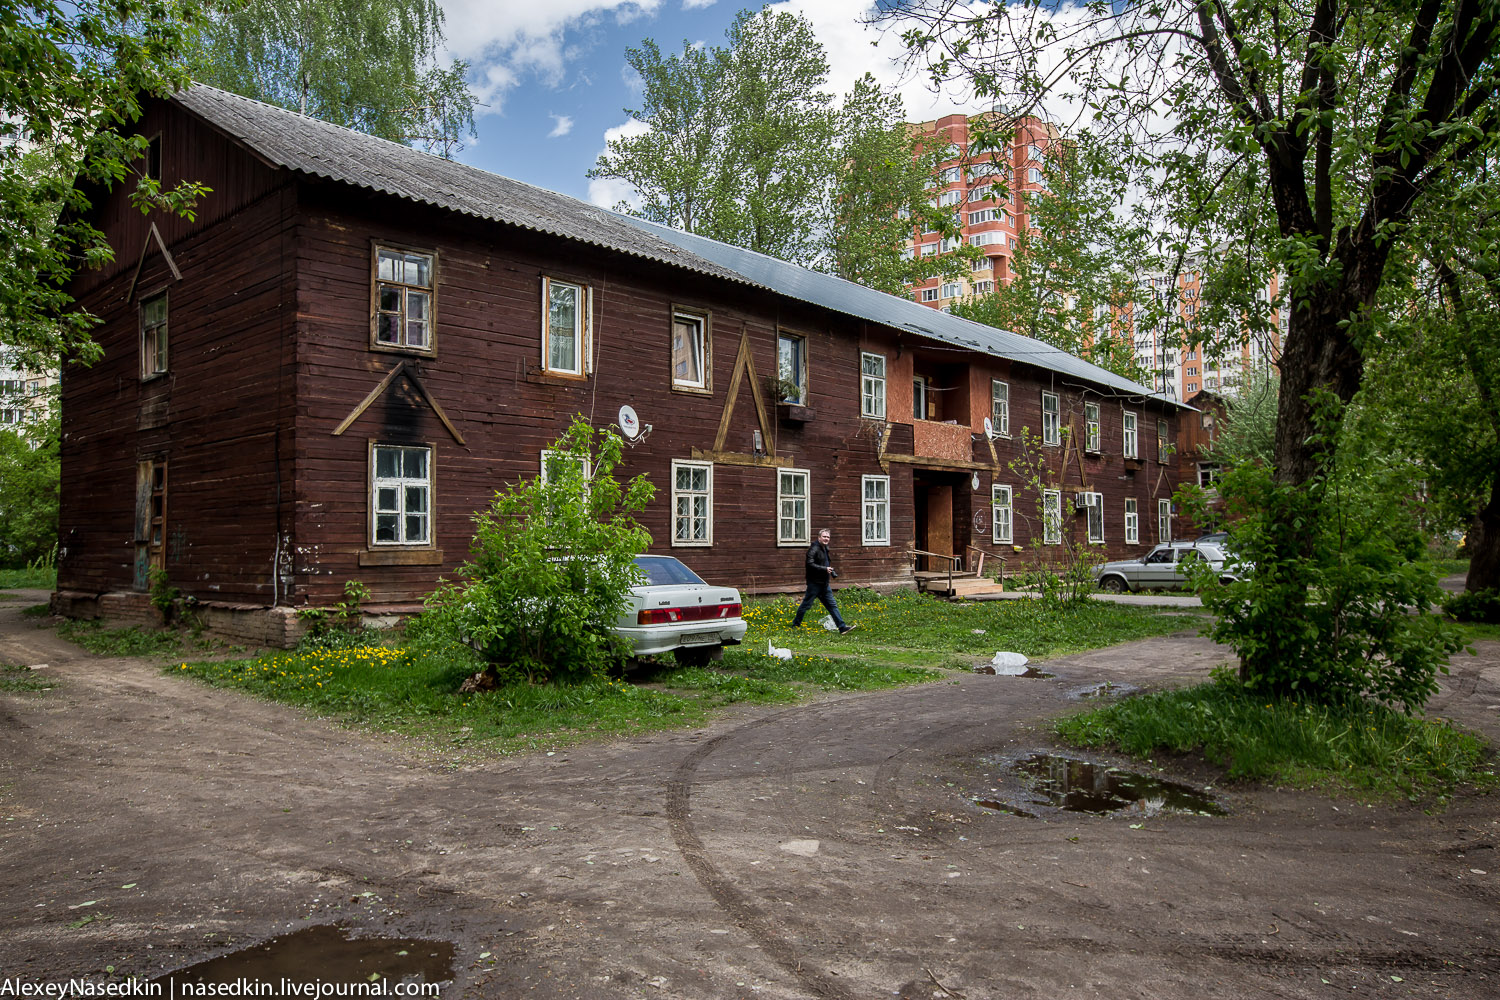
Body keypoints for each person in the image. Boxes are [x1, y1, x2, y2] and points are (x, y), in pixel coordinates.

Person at [791, 527, 856, 634]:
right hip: (814, 584)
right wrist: (824, 569)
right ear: (819, 538)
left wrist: (827, 569)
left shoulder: (824, 548)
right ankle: (795, 625)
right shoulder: (814, 549)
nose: (826, 539)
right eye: (824, 536)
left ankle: (842, 627)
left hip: (824, 584)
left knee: (832, 605)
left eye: (828, 537)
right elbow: (809, 564)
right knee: (806, 605)